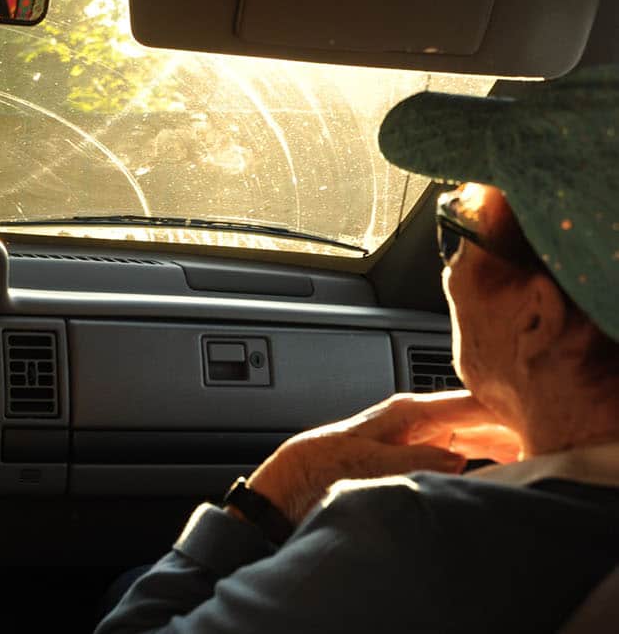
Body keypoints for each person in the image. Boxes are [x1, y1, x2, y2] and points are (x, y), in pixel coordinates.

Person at [95, 64, 619, 633]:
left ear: (535, 317)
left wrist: (276, 490)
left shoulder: (411, 538)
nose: (445, 270)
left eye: (454, 230)